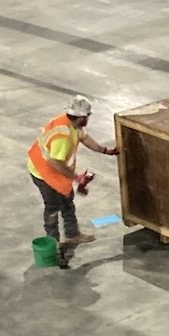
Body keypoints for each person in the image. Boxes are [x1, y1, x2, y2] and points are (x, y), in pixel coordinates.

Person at [27, 95, 118, 246]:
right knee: (52, 207)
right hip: (43, 172)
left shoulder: (72, 123)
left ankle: (72, 234)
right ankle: (52, 242)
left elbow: (85, 138)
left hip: (56, 170)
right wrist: (77, 178)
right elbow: (55, 162)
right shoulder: (62, 136)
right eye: (88, 116)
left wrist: (106, 151)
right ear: (81, 117)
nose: (88, 119)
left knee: (67, 202)